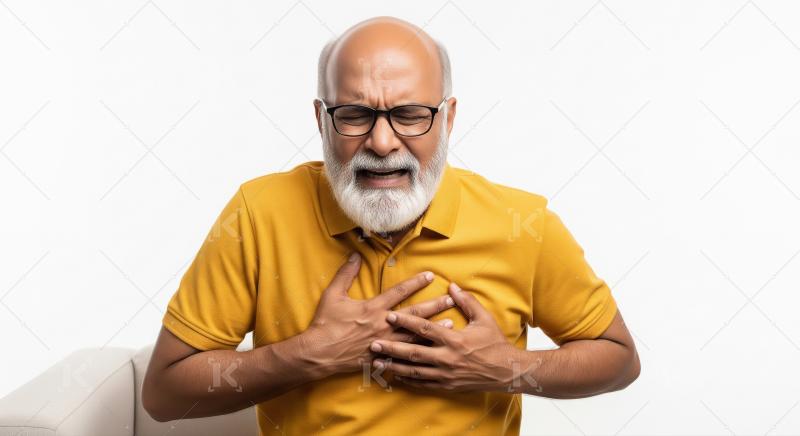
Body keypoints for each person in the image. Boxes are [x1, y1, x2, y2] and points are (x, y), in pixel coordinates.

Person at [142, 16, 640, 436]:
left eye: (409, 114)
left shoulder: (522, 223)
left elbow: (618, 359)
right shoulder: (258, 212)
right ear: (321, 120)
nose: (382, 142)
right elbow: (164, 394)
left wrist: (505, 369)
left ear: (447, 118)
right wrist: (306, 357)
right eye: (355, 114)